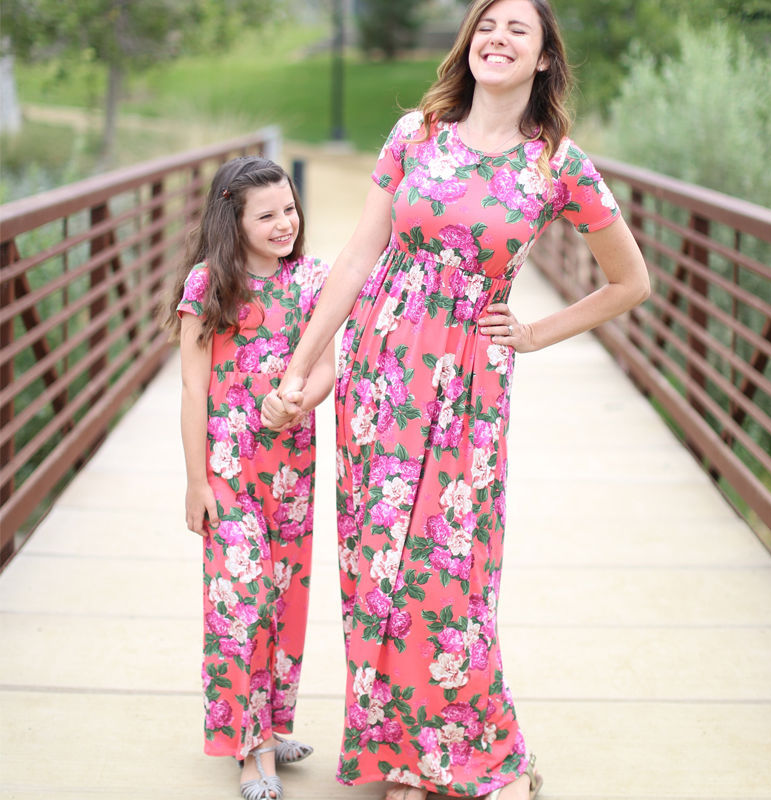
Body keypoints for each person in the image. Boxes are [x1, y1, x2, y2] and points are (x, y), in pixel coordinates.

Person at [271, 0, 650, 798]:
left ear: (545, 59)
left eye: (519, 29)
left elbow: (631, 282)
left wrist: (538, 333)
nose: (497, 38)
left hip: (472, 380)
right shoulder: (416, 135)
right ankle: (401, 755)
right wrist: (301, 368)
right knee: (377, 564)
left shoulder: (559, 166)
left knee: (448, 569)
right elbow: (354, 259)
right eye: (486, 24)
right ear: (468, 43)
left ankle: (457, 751)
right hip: (380, 373)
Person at [165, 156, 334, 800]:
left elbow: (324, 366)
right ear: (232, 221)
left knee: (284, 602)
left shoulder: (313, 280)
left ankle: (273, 722)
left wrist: (301, 399)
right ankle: (249, 748)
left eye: (289, 209)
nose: (284, 223)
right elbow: (191, 387)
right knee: (240, 605)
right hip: (229, 474)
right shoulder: (209, 285)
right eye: (266, 215)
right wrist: (195, 482)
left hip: (291, 469)